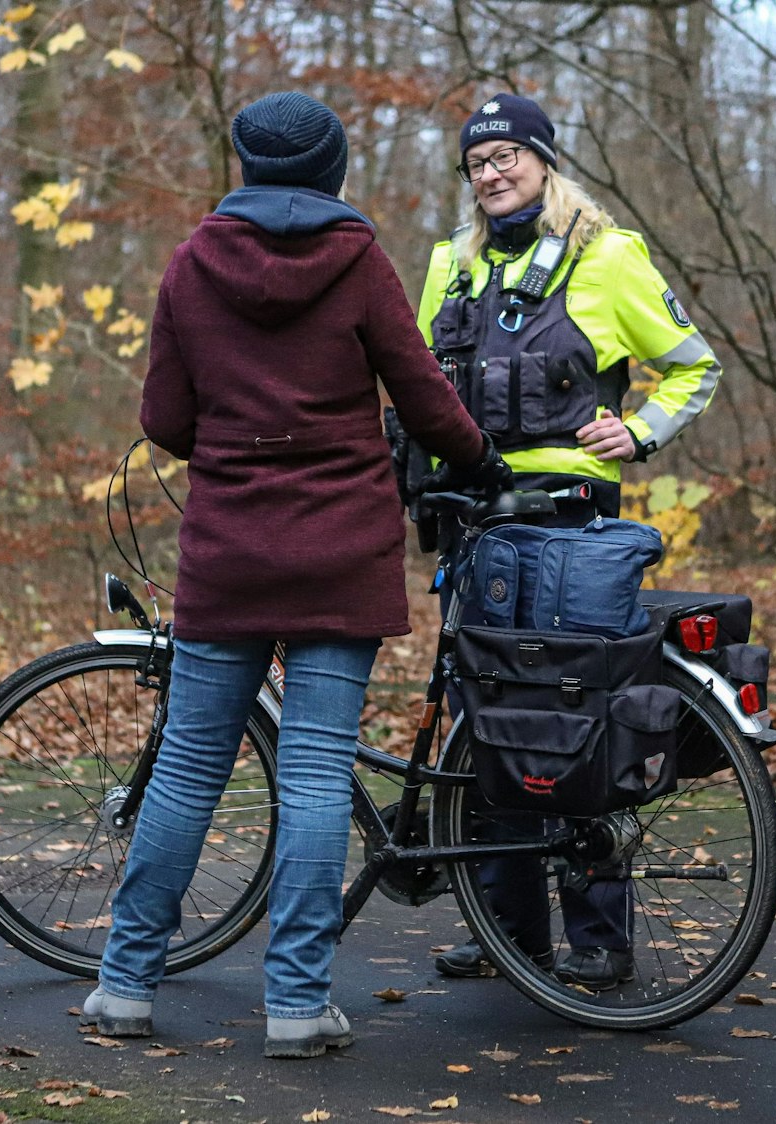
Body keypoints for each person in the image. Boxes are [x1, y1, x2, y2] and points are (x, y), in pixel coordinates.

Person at [84, 91, 507, 1060]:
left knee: (189, 767)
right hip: (338, 548)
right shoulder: (357, 260)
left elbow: (163, 419)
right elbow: (421, 393)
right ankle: (297, 1002)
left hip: (228, 549)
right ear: (334, 168)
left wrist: (231, 443)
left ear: (244, 166)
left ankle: (120, 985)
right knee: (316, 769)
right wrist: (477, 456)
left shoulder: (194, 262)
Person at [416, 93, 724, 989]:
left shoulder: (608, 256)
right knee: (484, 720)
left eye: (507, 154)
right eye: (476, 163)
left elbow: (694, 364)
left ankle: (598, 934)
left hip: (568, 521)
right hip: (477, 523)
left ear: (545, 162)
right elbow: (423, 381)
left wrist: (642, 432)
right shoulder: (451, 266)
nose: (491, 172)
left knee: (570, 712)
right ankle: (504, 925)